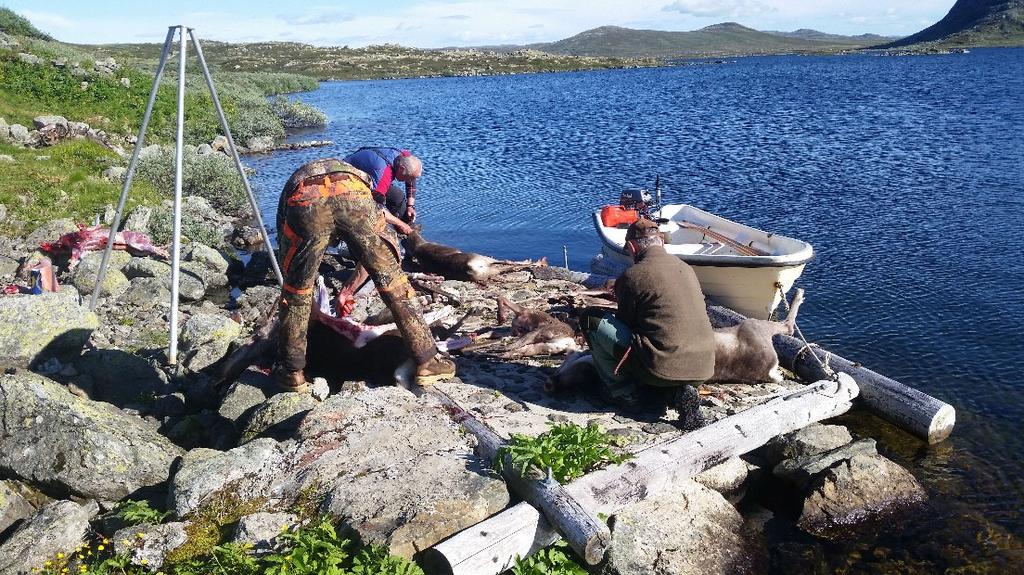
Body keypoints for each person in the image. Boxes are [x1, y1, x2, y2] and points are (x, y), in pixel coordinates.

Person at [272, 157, 455, 392]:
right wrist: (352, 289)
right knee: (394, 282)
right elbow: (380, 256)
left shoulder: (295, 185)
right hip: (354, 195)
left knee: (295, 292)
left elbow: (289, 264)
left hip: (305, 201)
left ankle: (292, 373)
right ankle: (427, 362)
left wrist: (306, 298)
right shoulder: (361, 180)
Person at [580, 218, 715, 428]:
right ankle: (677, 391)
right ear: (660, 241)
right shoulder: (686, 269)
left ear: (632, 247)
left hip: (660, 366)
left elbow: (628, 326)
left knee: (590, 318)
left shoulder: (632, 275)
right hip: (704, 367)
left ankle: (623, 393)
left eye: (628, 249)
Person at [343, 146, 421, 231]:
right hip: (345, 181)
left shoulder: (405, 156)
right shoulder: (383, 175)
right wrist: (399, 223)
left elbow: (411, 178)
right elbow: (377, 208)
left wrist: (410, 206)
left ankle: (407, 231)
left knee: (397, 196)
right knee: (372, 216)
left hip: (370, 176)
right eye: (408, 178)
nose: (410, 181)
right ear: (401, 169)